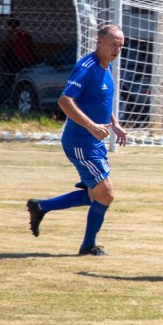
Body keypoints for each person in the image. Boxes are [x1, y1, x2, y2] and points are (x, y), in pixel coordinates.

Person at [26, 24, 127, 255]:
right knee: (106, 194)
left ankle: (41, 206)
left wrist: (115, 124)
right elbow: (65, 101)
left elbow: (99, 100)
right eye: (114, 45)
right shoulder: (87, 67)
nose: (117, 50)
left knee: (96, 195)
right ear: (100, 42)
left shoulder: (106, 65)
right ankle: (88, 246)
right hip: (81, 141)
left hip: (93, 140)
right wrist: (91, 126)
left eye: (121, 46)